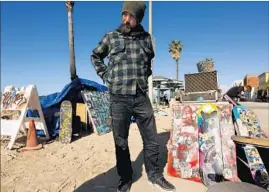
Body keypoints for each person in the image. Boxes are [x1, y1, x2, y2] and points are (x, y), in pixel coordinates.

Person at [90, 1, 176, 192]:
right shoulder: (111, 37)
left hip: (140, 96)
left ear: (138, 18)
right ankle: (126, 179)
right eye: (124, 15)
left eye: (131, 16)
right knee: (121, 141)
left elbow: (148, 62)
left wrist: (143, 79)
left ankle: (155, 176)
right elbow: (95, 55)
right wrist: (106, 76)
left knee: (152, 139)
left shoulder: (146, 39)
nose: (126, 19)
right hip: (119, 97)